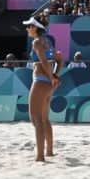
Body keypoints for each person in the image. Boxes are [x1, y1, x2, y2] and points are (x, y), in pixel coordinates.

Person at [24, 17, 61, 162]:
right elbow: (60, 59)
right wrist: (55, 75)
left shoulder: (37, 42)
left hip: (40, 81)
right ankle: (49, 151)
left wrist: (52, 77)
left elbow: (44, 62)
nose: (27, 29)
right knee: (45, 119)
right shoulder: (48, 42)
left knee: (36, 119)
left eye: (29, 26)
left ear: (35, 28)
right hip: (47, 83)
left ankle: (40, 156)